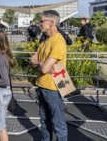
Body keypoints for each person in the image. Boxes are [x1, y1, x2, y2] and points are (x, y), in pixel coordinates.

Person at [30, 10, 68, 141]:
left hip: (53, 87)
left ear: (52, 23)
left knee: (58, 123)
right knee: (44, 120)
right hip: (41, 85)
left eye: (42, 21)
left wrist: (41, 65)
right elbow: (32, 60)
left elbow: (45, 68)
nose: (39, 24)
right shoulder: (46, 40)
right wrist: (41, 64)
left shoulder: (58, 41)